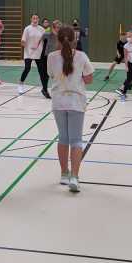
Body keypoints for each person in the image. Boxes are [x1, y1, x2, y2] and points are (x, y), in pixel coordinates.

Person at [47, 25, 94, 193]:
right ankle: (74, 176)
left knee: (63, 138)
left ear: (58, 40)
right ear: (75, 40)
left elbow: (52, 75)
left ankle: (63, 174)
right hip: (76, 102)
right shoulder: (81, 56)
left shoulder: (51, 57)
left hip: (59, 102)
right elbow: (89, 79)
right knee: (76, 140)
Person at [19, 14, 48, 96]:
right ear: (31, 19)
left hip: (39, 53)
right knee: (27, 68)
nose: (35, 19)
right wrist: (26, 46)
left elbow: (45, 41)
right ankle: (21, 83)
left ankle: (44, 89)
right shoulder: (27, 29)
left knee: (41, 71)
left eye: (36, 18)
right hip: (28, 52)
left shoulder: (42, 29)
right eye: (33, 18)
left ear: (38, 19)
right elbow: (23, 41)